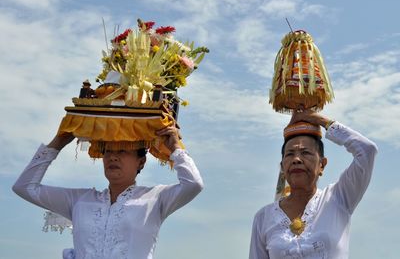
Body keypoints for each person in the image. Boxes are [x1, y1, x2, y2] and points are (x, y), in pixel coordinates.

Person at [13, 123, 203, 259]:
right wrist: (57, 143)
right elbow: (24, 187)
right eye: (108, 152)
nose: (113, 157)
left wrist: (176, 148)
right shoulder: (80, 201)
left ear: (141, 162)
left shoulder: (156, 198)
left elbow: (193, 184)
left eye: (122, 151)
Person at [249, 109, 378, 259]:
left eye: (305, 153)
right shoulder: (264, 218)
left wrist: (320, 121)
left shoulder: (338, 198)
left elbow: (367, 150)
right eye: (290, 154)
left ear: (322, 165)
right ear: (283, 167)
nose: (296, 159)